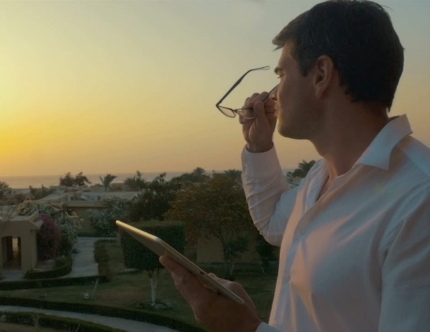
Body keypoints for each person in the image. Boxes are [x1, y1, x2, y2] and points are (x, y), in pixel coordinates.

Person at [160, 1, 430, 331]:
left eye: (281, 74)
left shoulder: (418, 202)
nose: (271, 95)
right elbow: (275, 222)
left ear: (321, 74)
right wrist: (258, 146)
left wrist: (246, 329)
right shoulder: (321, 177)